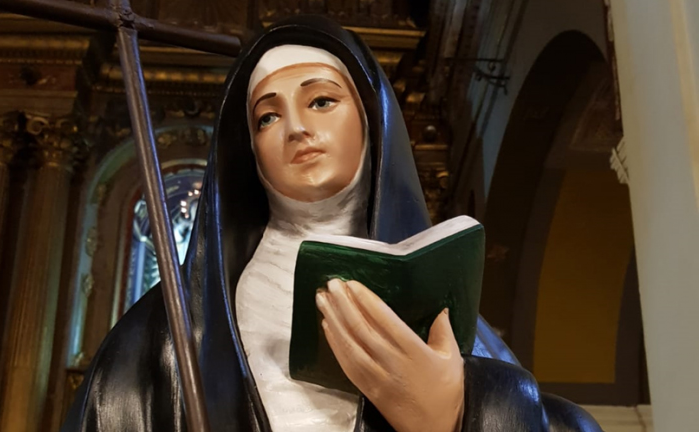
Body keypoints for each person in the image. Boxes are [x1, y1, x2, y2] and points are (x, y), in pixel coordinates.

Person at [62, 15, 602, 432]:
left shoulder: (449, 313)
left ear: (371, 120)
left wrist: (460, 414)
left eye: (321, 101)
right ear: (249, 150)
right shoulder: (168, 331)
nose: (296, 128)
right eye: (267, 116)